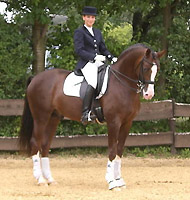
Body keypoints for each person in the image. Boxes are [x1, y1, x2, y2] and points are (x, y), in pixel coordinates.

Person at [74, 6, 117, 125]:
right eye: (88, 17)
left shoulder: (97, 32)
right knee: (93, 82)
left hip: (99, 62)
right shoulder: (79, 32)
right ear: (84, 17)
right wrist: (94, 57)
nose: (90, 19)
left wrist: (110, 57)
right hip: (87, 63)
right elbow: (79, 50)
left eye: (92, 17)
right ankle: (85, 113)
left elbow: (103, 48)